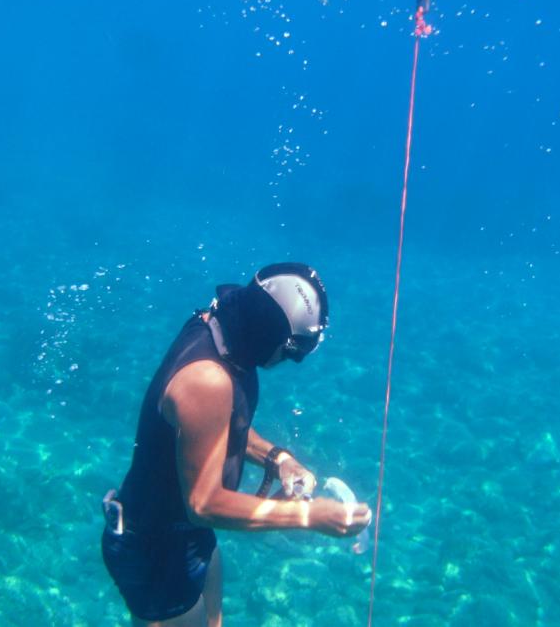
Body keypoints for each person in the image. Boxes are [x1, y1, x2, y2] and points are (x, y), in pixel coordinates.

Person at [101, 262, 372, 627]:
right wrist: (311, 517)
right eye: (291, 352)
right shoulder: (208, 381)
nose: (289, 362)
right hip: (155, 550)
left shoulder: (220, 332)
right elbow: (204, 503)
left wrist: (278, 459)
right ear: (269, 332)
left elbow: (216, 426)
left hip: (184, 538)